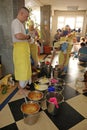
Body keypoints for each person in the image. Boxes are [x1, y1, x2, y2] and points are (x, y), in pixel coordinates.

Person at [11, 7, 32, 94]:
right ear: (21, 13)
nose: (27, 19)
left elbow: (21, 37)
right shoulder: (16, 22)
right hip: (20, 52)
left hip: (23, 51)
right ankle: (20, 89)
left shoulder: (20, 23)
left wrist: (27, 39)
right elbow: (18, 36)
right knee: (22, 70)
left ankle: (23, 85)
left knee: (25, 69)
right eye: (26, 16)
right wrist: (28, 36)